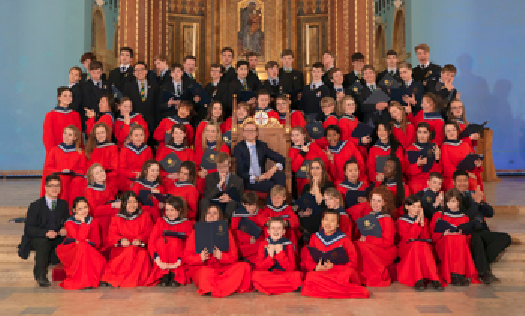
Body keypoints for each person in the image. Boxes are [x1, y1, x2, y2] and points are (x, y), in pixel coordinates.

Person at [453, 170, 511, 284]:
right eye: (459, 181)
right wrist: (476, 203)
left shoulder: (474, 194)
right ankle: (484, 273)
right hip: (470, 232)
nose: (462, 183)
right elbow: (467, 216)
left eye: (465, 180)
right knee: (476, 238)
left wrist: (481, 203)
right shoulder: (453, 198)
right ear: (454, 182)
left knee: (505, 238)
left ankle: (477, 261)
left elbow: (490, 213)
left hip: (483, 230)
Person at [184, 205, 252, 297]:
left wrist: (222, 257)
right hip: (204, 268)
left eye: (215, 213)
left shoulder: (227, 232)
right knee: (205, 274)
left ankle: (215, 287)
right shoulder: (195, 232)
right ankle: (228, 286)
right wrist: (200, 258)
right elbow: (186, 257)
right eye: (209, 213)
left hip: (223, 268)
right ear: (205, 216)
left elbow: (234, 257)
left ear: (219, 216)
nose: (211, 215)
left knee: (245, 266)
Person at [300, 210, 369, 299]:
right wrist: (316, 267)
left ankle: (325, 289)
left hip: (338, 272)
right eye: (326, 219)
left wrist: (334, 267)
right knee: (310, 276)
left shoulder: (344, 239)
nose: (328, 223)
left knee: (348, 274)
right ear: (322, 221)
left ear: (337, 225)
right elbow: (308, 259)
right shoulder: (315, 237)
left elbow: (353, 262)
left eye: (332, 221)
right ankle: (338, 290)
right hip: (322, 271)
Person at [21, 174, 69, 287]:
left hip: (57, 236)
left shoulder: (63, 204)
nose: (54, 188)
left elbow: (68, 220)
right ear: (45, 188)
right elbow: (29, 229)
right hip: (39, 237)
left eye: (57, 185)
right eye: (51, 185)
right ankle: (41, 275)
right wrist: (45, 233)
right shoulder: (35, 205)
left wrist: (65, 229)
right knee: (43, 243)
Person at [100, 191, 153, 287]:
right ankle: (115, 278)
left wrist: (140, 239)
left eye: (134, 202)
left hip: (139, 247)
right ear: (124, 204)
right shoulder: (116, 218)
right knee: (132, 251)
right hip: (121, 250)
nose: (132, 205)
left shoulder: (145, 216)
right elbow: (111, 236)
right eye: (129, 202)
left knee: (143, 254)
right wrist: (120, 240)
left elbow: (149, 231)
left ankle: (117, 279)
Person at [430, 189, 479, 286]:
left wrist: (461, 233)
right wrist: (443, 234)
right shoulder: (438, 215)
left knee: (460, 239)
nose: (450, 204)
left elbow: (468, 236)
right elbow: (432, 235)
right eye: (448, 202)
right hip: (443, 244)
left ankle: (459, 274)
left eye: (453, 201)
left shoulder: (464, 217)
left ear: (458, 202)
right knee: (450, 238)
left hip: (460, 245)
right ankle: (453, 274)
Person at [56, 197, 106, 290]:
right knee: (82, 246)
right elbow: (79, 238)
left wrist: (86, 241)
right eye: (80, 209)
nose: (83, 211)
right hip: (72, 251)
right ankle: (84, 281)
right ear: (74, 210)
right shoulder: (69, 222)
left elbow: (97, 242)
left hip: (88, 249)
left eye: (85, 207)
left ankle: (87, 281)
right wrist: (83, 222)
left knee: (84, 247)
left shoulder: (93, 221)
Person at [396, 195, 443, 291]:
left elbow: (426, 238)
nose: (416, 209)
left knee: (423, 245)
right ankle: (418, 279)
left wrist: (422, 221)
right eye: (413, 206)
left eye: (418, 207)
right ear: (407, 207)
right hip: (406, 247)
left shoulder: (424, 220)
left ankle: (434, 278)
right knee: (417, 244)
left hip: (420, 246)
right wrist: (417, 221)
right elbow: (409, 238)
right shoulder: (401, 221)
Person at [354, 186, 397, 287]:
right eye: (373, 200)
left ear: (384, 203)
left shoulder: (387, 219)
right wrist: (363, 238)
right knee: (357, 244)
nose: (375, 204)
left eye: (378, 201)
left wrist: (367, 239)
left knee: (363, 246)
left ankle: (375, 277)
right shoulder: (369, 216)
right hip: (373, 247)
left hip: (386, 250)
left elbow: (388, 242)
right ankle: (362, 277)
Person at [147, 196, 194, 286]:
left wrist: (179, 262)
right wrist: (157, 260)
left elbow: (190, 246)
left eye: (172, 210)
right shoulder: (160, 222)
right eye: (167, 210)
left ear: (179, 210)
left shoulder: (187, 224)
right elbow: (152, 242)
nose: (169, 213)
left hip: (179, 262)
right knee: (161, 241)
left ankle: (174, 274)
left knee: (175, 243)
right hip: (161, 262)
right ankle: (164, 274)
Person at [251, 217, 302, 295]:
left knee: (297, 276)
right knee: (255, 275)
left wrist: (280, 254)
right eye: (273, 228)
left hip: (284, 275)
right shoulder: (263, 244)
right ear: (268, 231)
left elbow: (291, 268)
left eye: (279, 228)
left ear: (283, 231)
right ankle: (282, 287)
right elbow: (259, 267)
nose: (275, 231)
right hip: (269, 275)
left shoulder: (289, 245)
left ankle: (268, 287)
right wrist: (270, 257)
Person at [233, 121, 286, 192]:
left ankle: (280, 201)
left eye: (252, 130)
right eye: (247, 130)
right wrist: (257, 178)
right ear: (244, 133)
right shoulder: (238, 148)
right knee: (273, 186)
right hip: (249, 180)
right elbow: (240, 172)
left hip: (263, 176)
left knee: (280, 176)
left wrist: (273, 169)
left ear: (256, 133)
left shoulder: (262, 146)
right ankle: (273, 201)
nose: (250, 132)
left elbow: (281, 159)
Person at [41, 125, 86, 205]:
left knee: (78, 182)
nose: (66, 137)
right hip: (58, 177)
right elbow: (48, 168)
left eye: (70, 135)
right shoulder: (54, 150)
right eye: (65, 133)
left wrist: (72, 172)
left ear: (75, 137)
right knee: (61, 180)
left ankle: (73, 210)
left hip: (73, 178)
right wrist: (60, 171)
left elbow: (82, 169)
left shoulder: (80, 153)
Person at [84, 164, 120, 251]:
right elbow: (93, 211)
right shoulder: (89, 190)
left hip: (109, 220)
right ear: (92, 178)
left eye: (101, 171)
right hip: (99, 224)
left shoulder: (107, 188)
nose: (101, 173)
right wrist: (112, 205)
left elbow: (111, 203)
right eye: (97, 173)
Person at [123, 61, 159, 144]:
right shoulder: (128, 86)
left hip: (151, 122)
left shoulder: (155, 86)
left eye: (142, 69)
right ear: (134, 73)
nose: (140, 72)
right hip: (134, 122)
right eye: (137, 70)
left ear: (146, 71)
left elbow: (157, 105)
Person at [298, 158, 335, 237]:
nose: (314, 171)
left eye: (317, 168)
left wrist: (316, 186)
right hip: (307, 220)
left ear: (322, 170)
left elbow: (322, 203)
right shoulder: (306, 187)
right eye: (312, 168)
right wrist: (303, 213)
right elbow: (300, 207)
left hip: (323, 219)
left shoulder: (329, 185)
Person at [201, 152, 244, 219]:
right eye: (219, 167)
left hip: (228, 205)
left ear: (229, 165)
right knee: (204, 201)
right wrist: (219, 184)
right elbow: (207, 196)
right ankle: (204, 223)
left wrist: (230, 199)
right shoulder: (209, 178)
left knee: (232, 203)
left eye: (224, 166)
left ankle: (224, 224)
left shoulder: (238, 180)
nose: (222, 169)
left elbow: (240, 200)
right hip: (213, 203)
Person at [441, 121, 481, 191]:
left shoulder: (465, 144)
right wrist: (464, 175)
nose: (451, 133)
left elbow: (471, 163)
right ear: (445, 134)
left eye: (453, 130)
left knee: (473, 182)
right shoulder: (444, 147)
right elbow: (447, 167)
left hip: (467, 175)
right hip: (452, 176)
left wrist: (477, 164)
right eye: (448, 131)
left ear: (457, 131)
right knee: (454, 184)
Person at [82, 122, 119, 195]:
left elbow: (114, 167)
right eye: (98, 133)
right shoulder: (91, 148)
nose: (100, 135)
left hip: (108, 176)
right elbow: (88, 165)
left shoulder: (112, 147)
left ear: (106, 134)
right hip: (93, 177)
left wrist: (100, 174)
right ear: (95, 135)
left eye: (102, 132)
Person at [289, 127, 329, 194]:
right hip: (301, 183)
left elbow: (325, 162)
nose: (294, 138)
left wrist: (318, 175)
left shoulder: (313, 146)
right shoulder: (292, 150)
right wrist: (302, 153)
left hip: (318, 180)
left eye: (297, 135)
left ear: (304, 135)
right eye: (292, 135)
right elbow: (294, 168)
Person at [405, 122, 442, 194]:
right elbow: (407, 172)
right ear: (416, 134)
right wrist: (417, 164)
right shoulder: (410, 149)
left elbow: (438, 172)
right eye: (419, 132)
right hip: (415, 182)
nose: (422, 135)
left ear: (429, 134)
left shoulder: (434, 148)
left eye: (425, 132)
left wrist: (437, 159)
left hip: (431, 182)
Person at [42, 87, 82, 153]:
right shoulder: (50, 115)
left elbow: (79, 135)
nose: (68, 98)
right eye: (65, 96)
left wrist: (80, 151)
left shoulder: (75, 115)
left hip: (73, 153)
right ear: (59, 97)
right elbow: (48, 139)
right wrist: (53, 154)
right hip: (58, 154)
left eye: (70, 96)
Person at [195, 122, 231, 194]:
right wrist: (198, 172)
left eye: (213, 131)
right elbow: (195, 165)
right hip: (201, 178)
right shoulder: (200, 148)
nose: (210, 134)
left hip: (217, 178)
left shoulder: (223, 147)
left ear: (217, 133)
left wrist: (208, 172)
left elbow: (224, 167)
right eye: (208, 131)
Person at [118, 125, 153, 192]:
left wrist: (144, 174)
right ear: (131, 137)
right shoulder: (124, 150)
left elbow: (149, 166)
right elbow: (121, 170)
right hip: (129, 178)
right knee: (137, 187)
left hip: (144, 176)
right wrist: (135, 174)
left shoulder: (147, 149)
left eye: (141, 135)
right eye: (136, 135)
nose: (139, 138)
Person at [230, 192, 262, 264]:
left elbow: (260, 228)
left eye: (255, 205)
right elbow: (234, 232)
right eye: (250, 205)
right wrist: (248, 239)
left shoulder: (259, 212)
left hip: (256, 241)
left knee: (262, 245)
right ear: (243, 204)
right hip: (243, 242)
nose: (253, 208)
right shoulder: (237, 215)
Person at [337, 160, 369, 224]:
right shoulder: (340, 188)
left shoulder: (364, 185)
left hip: (365, 215)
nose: (353, 173)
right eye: (350, 171)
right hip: (351, 217)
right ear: (345, 173)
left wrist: (367, 200)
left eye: (356, 170)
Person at [80, 61, 112, 126]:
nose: (96, 75)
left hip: (104, 118)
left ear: (102, 72)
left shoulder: (107, 84)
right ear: (89, 72)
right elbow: (85, 102)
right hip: (90, 117)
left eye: (98, 72)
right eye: (93, 72)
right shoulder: (84, 86)